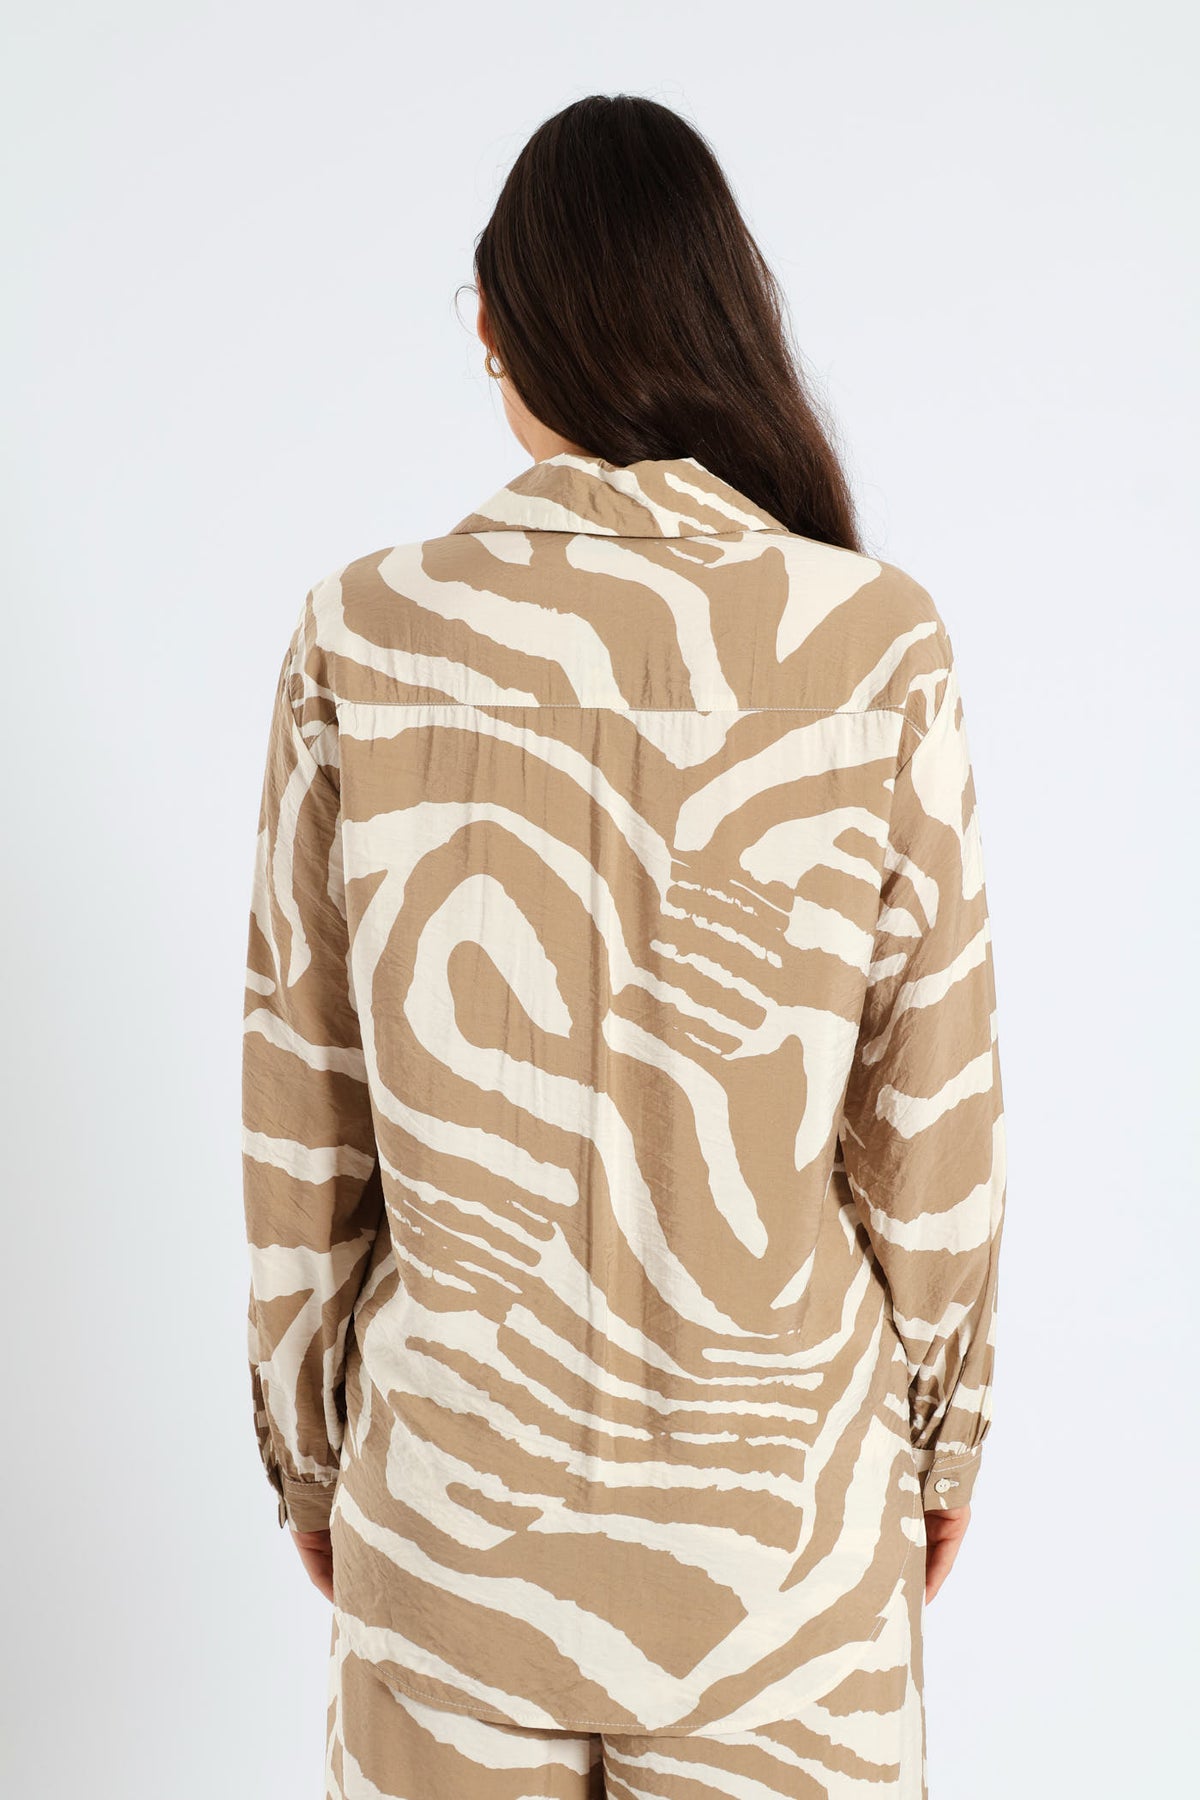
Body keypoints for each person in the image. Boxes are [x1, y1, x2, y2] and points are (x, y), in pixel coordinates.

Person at [241, 92, 1007, 1800]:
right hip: (782, 1549)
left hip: (452, 1531)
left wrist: (314, 1456)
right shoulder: (876, 643)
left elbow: (303, 1109)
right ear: (722, 317)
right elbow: (932, 1124)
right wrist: (938, 1441)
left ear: (499, 328)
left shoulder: (359, 637)